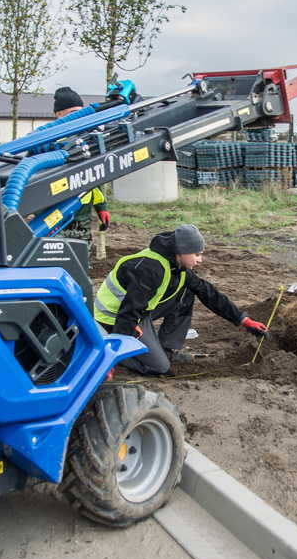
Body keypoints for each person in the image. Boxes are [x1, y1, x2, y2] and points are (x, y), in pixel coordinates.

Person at [93, 224, 268, 375]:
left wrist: (242, 319)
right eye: (197, 254)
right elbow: (128, 311)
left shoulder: (177, 265)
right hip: (115, 317)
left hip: (138, 311)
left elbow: (207, 292)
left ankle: (167, 349)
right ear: (181, 251)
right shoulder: (150, 269)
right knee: (160, 368)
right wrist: (114, 356)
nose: (200, 260)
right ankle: (119, 359)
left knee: (187, 292)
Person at [51, 86, 111, 244]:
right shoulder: (48, 142)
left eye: (80, 111)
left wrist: (101, 207)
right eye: (72, 113)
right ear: (59, 115)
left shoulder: (86, 140)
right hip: (55, 216)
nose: (78, 117)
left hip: (82, 216)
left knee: (82, 254)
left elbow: (95, 175)